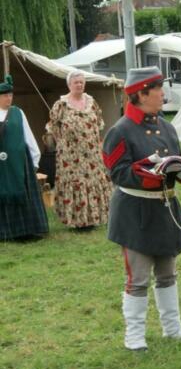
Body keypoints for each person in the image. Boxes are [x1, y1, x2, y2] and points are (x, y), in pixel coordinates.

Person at [102, 67, 181, 351]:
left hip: (165, 210)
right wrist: (150, 173)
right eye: (158, 89)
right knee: (138, 277)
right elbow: (116, 172)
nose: (163, 93)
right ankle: (135, 336)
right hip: (135, 214)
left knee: (168, 273)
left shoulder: (166, 126)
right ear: (141, 94)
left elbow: (177, 159)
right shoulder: (120, 130)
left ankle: (172, 327)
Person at [46, 70, 111, 230]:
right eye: (76, 82)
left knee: (92, 181)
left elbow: (99, 123)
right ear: (69, 85)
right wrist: (67, 141)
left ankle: (94, 218)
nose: (79, 85)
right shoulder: (61, 105)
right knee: (75, 183)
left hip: (91, 154)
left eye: (82, 82)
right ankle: (76, 221)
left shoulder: (91, 102)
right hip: (70, 155)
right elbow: (52, 128)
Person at [0, 75, 49, 241]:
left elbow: (28, 136)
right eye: (5, 95)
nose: (9, 98)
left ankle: (28, 230)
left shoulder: (18, 113)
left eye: (10, 95)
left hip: (20, 161)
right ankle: (6, 232)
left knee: (24, 193)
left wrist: (34, 160)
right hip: (1, 164)